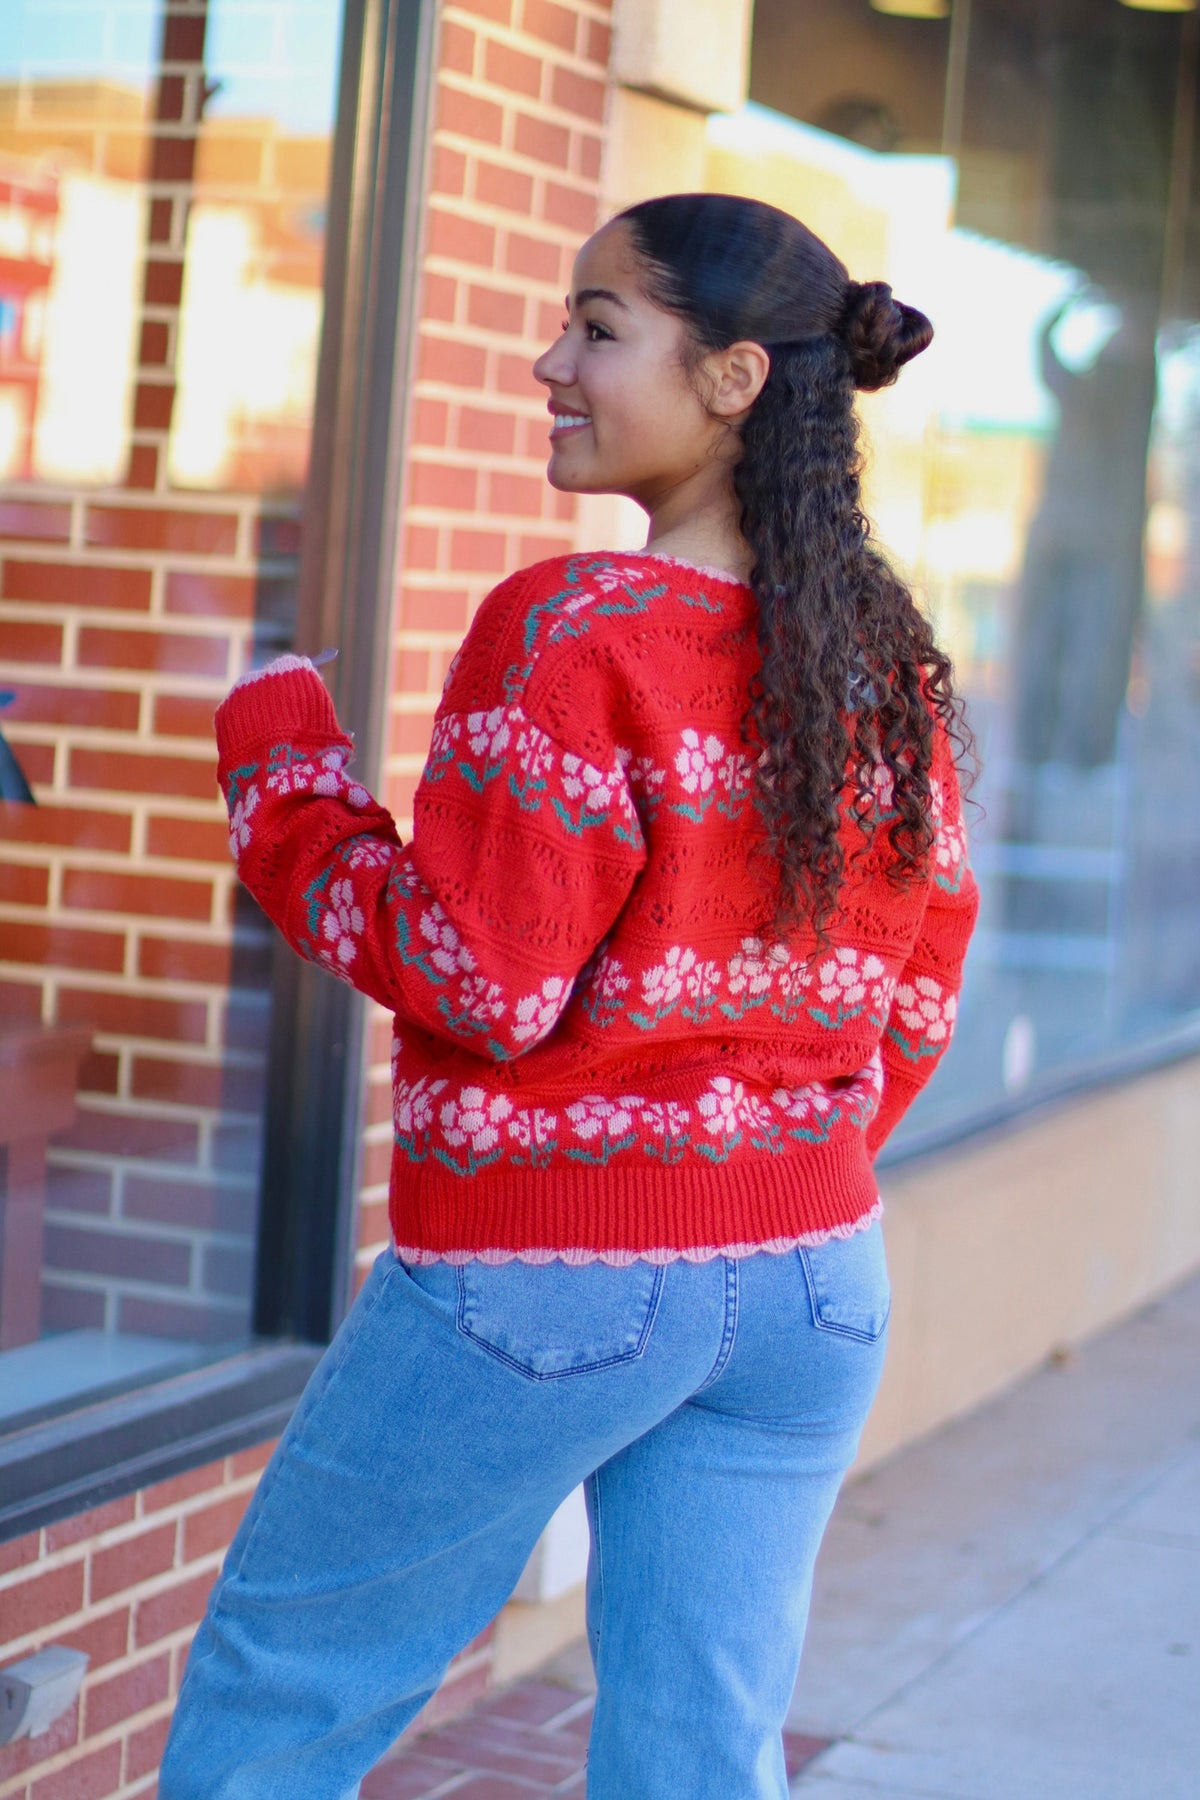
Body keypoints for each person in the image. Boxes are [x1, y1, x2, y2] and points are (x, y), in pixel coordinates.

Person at [160, 192, 978, 1800]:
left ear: (737, 376)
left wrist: (276, 749)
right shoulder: (889, 663)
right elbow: (919, 1001)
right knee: (700, 1751)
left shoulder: (568, 630)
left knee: (284, 1695)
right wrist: (759, 1156)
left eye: (599, 327)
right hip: (815, 1276)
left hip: (555, 1267)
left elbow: (479, 975)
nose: (552, 359)